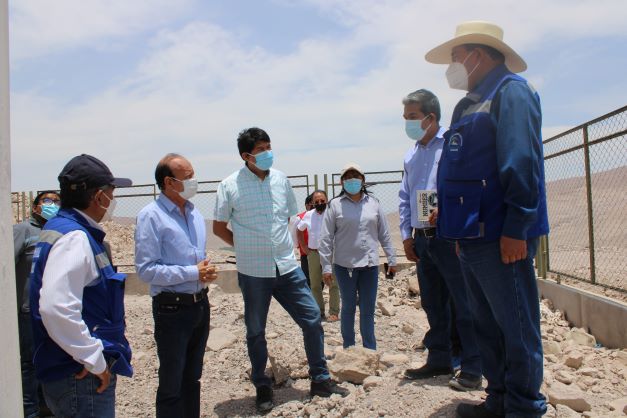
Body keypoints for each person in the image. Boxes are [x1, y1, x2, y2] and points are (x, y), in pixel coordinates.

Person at [425, 21, 549, 418]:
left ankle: (524, 408)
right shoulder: (468, 104)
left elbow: (521, 163)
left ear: (478, 55)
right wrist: (453, 225)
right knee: (486, 324)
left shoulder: (512, 92)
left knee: (516, 326)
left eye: (456, 57)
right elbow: (462, 167)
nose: (452, 66)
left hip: (500, 235)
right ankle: (498, 401)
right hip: (470, 235)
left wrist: (517, 228)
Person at [213, 127, 349, 413]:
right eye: (261, 150)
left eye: (269, 147)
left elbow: (287, 217)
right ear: (246, 156)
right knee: (255, 331)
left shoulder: (280, 180)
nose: (268, 153)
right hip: (253, 270)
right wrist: (244, 246)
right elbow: (218, 227)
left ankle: (320, 379)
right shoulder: (229, 185)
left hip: (286, 266)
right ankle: (262, 385)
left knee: (312, 319)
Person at [29, 154, 133, 418]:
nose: (113, 200)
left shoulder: (62, 229)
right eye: (112, 193)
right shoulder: (75, 238)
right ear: (99, 197)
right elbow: (55, 307)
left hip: (71, 370)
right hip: (80, 376)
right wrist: (93, 358)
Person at [398, 89, 482, 390]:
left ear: (430, 117)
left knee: (463, 301)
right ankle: (440, 359)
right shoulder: (411, 155)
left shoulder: (451, 144)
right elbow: (405, 197)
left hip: (449, 236)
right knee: (433, 303)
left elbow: (468, 186)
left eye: (412, 117)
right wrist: (407, 235)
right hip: (423, 239)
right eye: (405, 117)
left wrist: (448, 211)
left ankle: (473, 365)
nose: (407, 123)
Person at [135, 153, 217, 418]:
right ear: (169, 182)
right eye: (188, 176)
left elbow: (195, 259)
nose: (194, 181)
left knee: (192, 379)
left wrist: (204, 271)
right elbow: (146, 270)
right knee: (172, 383)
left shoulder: (194, 214)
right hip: (171, 310)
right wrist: (193, 272)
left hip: (199, 305)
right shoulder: (151, 216)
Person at [318, 163, 397, 350]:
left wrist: (391, 259)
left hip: (370, 265)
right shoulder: (335, 205)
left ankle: (370, 349)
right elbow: (326, 238)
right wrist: (326, 267)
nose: (351, 180)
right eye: (347, 177)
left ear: (363, 180)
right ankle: (349, 348)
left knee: (368, 309)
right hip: (344, 266)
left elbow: (384, 234)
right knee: (348, 308)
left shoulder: (374, 204)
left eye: (355, 176)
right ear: (341, 182)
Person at [14, 190, 60, 418]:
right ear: (35, 208)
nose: (53, 204)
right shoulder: (23, 230)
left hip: (51, 310)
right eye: (47, 200)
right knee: (29, 363)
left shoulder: (57, 232)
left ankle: (46, 408)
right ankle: (29, 410)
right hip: (27, 309)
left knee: (49, 357)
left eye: (57, 201)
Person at [296, 189, 340, 321]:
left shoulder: (332, 214)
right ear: (313, 203)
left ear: (327, 200)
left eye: (322, 200)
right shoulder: (308, 215)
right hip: (314, 254)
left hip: (331, 253)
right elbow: (299, 229)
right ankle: (319, 312)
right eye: (317, 201)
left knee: (333, 283)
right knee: (315, 284)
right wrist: (304, 247)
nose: (320, 203)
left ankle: (334, 312)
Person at [296, 193, 314, 286]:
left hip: (321, 252)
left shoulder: (323, 215)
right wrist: (301, 247)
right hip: (306, 253)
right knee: (308, 278)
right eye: (311, 204)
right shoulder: (300, 217)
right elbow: (295, 234)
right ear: (306, 205)